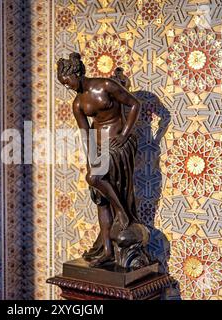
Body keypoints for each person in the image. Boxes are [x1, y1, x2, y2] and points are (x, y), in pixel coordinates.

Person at [57, 53, 148, 268]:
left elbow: (134, 104)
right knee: (100, 197)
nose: (67, 86)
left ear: (76, 73)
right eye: (63, 84)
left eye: (67, 81)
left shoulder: (105, 86)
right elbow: (85, 134)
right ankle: (107, 250)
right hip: (98, 147)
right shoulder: (78, 103)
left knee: (95, 177)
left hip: (119, 144)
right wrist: (91, 159)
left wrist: (125, 134)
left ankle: (123, 213)